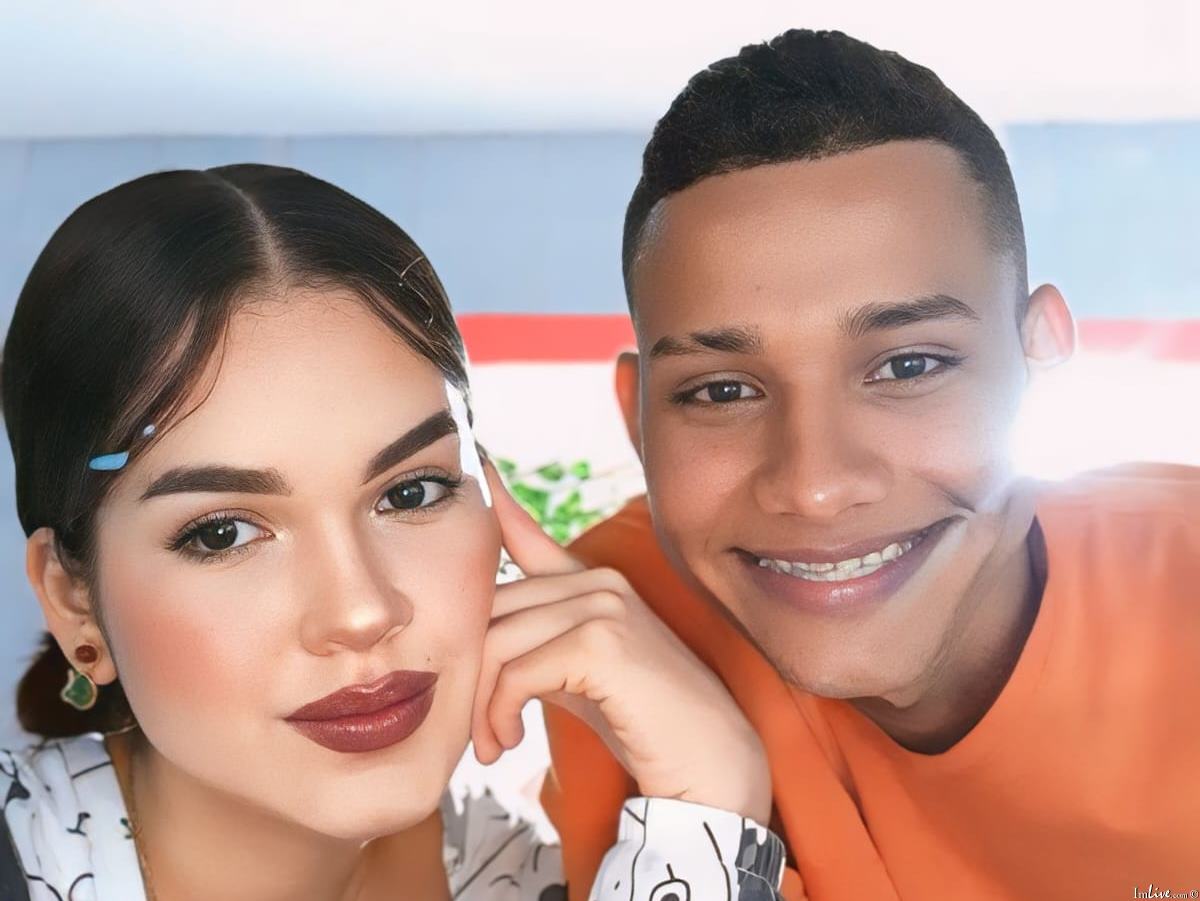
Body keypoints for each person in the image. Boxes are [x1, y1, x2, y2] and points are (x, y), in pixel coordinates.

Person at [0, 165, 788, 900]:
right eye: (223, 533)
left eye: (410, 492)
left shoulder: (535, 871)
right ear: (75, 601)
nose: (362, 611)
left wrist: (709, 804)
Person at [541, 29, 1200, 901]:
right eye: (723, 391)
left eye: (909, 365)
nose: (814, 487)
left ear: (1037, 355)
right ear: (638, 418)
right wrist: (705, 815)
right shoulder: (619, 623)